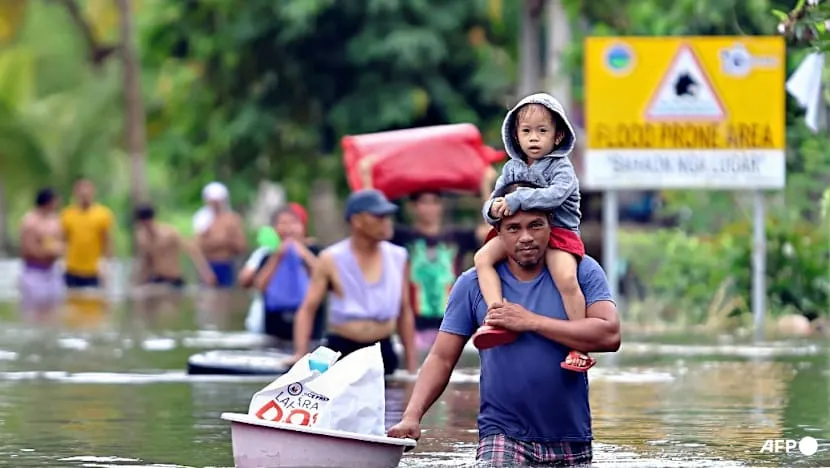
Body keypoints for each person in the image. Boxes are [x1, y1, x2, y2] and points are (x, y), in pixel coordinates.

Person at [387, 182, 621, 466]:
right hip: (501, 436)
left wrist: (531, 321)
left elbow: (609, 335)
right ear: (497, 233)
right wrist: (412, 416)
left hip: (570, 436)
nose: (526, 237)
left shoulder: (581, 270)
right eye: (513, 228)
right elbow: (441, 357)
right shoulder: (472, 284)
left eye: (535, 225)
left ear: (552, 225)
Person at [473, 93, 591, 373]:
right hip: (520, 233)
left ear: (558, 135)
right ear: (515, 135)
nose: (534, 138)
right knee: (482, 259)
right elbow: (493, 200)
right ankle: (496, 315)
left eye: (542, 131)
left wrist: (515, 201)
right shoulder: (511, 168)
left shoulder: (561, 167)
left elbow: (555, 195)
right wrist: (493, 211)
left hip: (559, 232)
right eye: (526, 131)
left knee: (565, 277)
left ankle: (580, 345)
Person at [288, 189, 418, 375]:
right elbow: (308, 308)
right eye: (378, 217)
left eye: (387, 216)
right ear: (357, 221)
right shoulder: (331, 258)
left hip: (382, 350)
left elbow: (404, 311)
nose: (386, 222)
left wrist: (411, 366)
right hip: (341, 349)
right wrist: (300, 353)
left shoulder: (398, 257)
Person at [391, 184, 493, 349]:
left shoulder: (455, 237)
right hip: (414, 328)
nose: (430, 208)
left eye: (435, 202)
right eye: (424, 202)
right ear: (413, 206)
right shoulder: (402, 237)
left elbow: (490, 232)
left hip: (451, 325)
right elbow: (372, 220)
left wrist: (484, 187)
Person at [238, 203, 326, 341]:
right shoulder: (268, 254)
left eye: (293, 222)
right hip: (274, 327)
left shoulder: (316, 252)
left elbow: (324, 278)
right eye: (282, 223)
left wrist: (303, 254)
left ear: (303, 227)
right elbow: (260, 286)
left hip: (311, 328)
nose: (288, 228)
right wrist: (277, 257)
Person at [133, 204, 216, 288]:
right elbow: (146, 262)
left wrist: (206, 273)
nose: (146, 224)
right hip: (156, 279)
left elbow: (192, 250)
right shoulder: (142, 238)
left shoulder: (169, 233)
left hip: (173, 279)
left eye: (147, 220)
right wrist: (140, 280)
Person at [60, 177, 115, 289]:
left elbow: (107, 240)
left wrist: (107, 263)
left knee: (94, 304)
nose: (84, 192)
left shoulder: (103, 214)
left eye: (87, 188)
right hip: (72, 269)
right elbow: (63, 239)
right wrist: (61, 260)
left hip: (94, 270)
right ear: (75, 192)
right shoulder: (66, 214)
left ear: (93, 191)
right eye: (80, 188)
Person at [18, 188, 64, 312]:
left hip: (52, 273)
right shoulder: (30, 222)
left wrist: (59, 249)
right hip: (34, 274)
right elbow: (27, 250)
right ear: (48, 202)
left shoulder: (55, 220)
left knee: (54, 311)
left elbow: (60, 242)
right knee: (34, 312)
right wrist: (47, 252)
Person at [194, 182, 247, 288]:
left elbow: (242, 246)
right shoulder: (202, 219)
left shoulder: (232, 219)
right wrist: (206, 272)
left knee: (227, 298)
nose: (215, 204)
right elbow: (197, 248)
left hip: (227, 264)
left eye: (218, 201)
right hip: (208, 264)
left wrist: (227, 241)